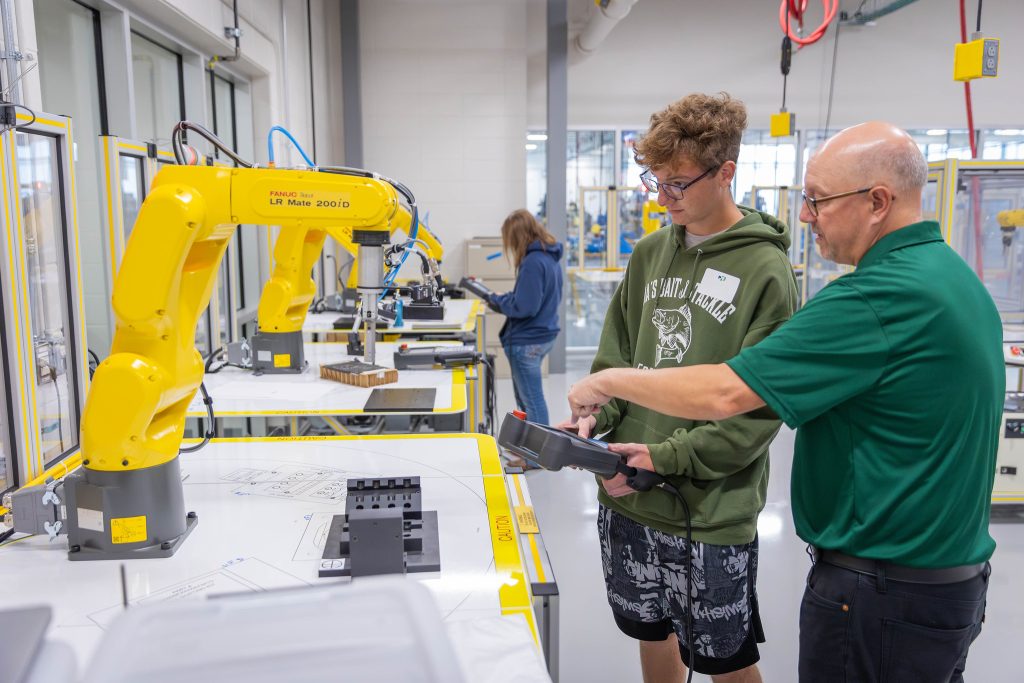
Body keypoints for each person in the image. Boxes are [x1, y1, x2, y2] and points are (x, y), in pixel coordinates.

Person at [567, 121, 1002, 683]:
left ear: (877, 202)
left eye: (817, 200)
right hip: (939, 581)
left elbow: (729, 392)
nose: (805, 215)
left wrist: (610, 385)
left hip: (882, 586)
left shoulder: (872, 299)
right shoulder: (954, 279)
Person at [557, 92, 799, 682]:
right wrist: (597, 420)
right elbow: (618, 359)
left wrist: (666, 458)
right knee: (649, 632)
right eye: (654, 181)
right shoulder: (647, 254)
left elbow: (758, 411)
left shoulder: (766, 273)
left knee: (727, 662)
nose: (663, 198)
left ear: (726, 174)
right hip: (627, 495)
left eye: (678, 184)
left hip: (711, 511)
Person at [488, 209, 563, 425]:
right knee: (528, 400)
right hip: (543, 335)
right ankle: (529, 452)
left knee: (532, 402)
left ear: (518, 237)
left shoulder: (532, 262)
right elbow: (533, 297)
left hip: (528, 340)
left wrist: (496, 301)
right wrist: (507, 298)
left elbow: (525, 307)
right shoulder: (549, 258)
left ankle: (537, 458)